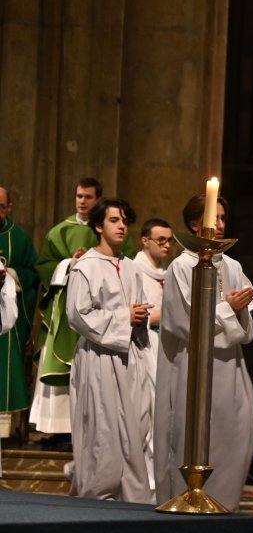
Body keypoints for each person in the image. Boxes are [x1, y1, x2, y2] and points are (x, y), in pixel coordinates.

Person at [154, 196, 253, 512]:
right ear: (196, 224)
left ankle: (225, 507)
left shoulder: (234, 266)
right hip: (192, 366)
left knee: (234, 436)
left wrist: (238, 312)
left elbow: (247, 328)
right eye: (216, 217)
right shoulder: (182, 267)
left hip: (230, 368)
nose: (222, 224)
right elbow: (183, 323)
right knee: (192, 436)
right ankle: (187, 504)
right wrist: (229, 308)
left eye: (224, 217)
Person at [67, 198, 153, 502]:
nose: (121, 226)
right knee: (102, 432)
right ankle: (95, 499)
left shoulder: (131, 268)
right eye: (114, 220)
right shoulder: (85, 268)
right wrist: (123, 318)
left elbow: (136, 311)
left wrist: (138, 318)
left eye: (124, 221)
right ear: (98, 226)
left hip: (130, 356)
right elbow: (78, 315)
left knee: (134, 430)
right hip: (99, 358)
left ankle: (130, 503)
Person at [32, 178, 117, 443]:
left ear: (98, 200)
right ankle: (56, 429)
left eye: (88, 197)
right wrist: (70, 263)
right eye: (79, 196)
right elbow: (44, 266)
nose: (82, 201)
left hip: (97, 309)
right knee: (60, 364)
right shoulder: (59, 231)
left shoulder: (107, 230)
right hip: (65, 309)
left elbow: (120, 262)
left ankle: (87, 430)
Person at [135, 218, 173, 490]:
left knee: (166, 414)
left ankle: (161, 476)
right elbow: (138, 313)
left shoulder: (170, 272)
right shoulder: (133, 270)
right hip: (144, 347)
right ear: (145, 240)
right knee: (147, 413)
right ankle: (145, 478)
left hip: (167, 349)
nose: (167, 245)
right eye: (161, 240)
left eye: (170, 240)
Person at [0, 186, 39, 437]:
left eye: (1, 206)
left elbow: (33, 275)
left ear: (9, 208)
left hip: (6, 316)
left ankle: (4, 426)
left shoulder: (20, 237)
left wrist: (10, 275)